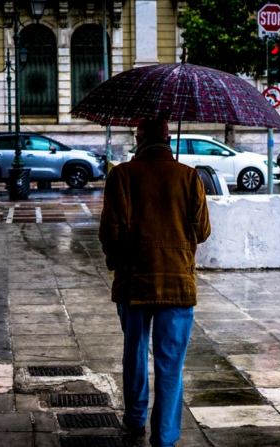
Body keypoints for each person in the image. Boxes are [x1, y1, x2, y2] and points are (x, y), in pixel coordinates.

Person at [99, 118, 211, 447]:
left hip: (134, 282)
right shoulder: (189, 177)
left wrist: (117, 263)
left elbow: (110, 231)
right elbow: (202, 231)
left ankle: (134, 418)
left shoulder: (121, 176)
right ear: (168, 139)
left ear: (140, 138)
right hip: (177, 284)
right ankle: (164, 435)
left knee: (134, 352)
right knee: (170, 362)